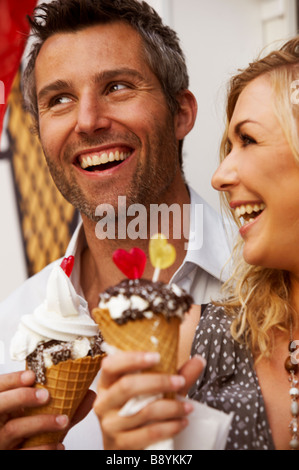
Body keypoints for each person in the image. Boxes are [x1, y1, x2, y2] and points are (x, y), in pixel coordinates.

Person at [0, 0, 231, 450]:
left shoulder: (271, 282)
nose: (87, 121)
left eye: (118, 86)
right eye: (59, 99)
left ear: (181, 112)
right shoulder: (9, 331)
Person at [93, 36, 299, 450]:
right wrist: (125, 455)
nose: (219, 176)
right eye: (229, 146)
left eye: (249, 140)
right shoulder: (194, 342)